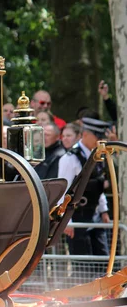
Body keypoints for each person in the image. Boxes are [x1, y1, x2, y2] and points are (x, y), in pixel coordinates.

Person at [58, 117, 110, 278]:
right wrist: (67, 221)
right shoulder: (70, 158)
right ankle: (81, 301)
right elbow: (63, 190)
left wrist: (104, 210)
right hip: (77, 217)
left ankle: (101, 300)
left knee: (102, 260)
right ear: (86, 134)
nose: (101, 141)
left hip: (94, 217)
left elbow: (98, 186)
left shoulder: (98, 156)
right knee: (82, 266)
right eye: (98, 136)